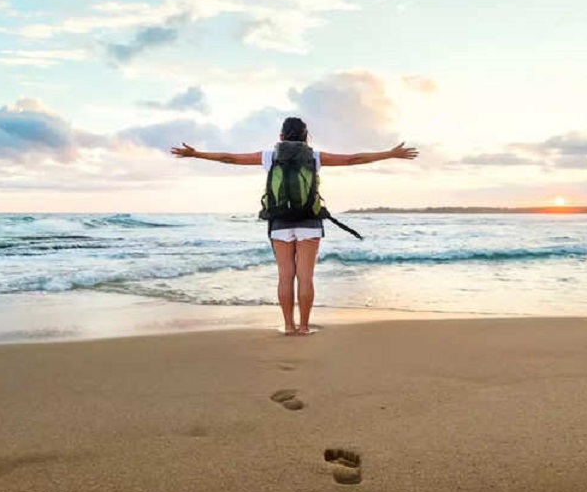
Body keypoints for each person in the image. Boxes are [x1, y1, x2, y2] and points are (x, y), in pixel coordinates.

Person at [170, 117, 418, 335]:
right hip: (309, 221)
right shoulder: (314, 156)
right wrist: (390, 154)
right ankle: (304, 327)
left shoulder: (269, 156)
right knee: (305, 277)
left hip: (279, 222)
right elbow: (353, 159)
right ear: (305, 137)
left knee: (285, 276)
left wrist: (196, 154)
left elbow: (229, 158)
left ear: (281, 136)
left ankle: (288, 326)